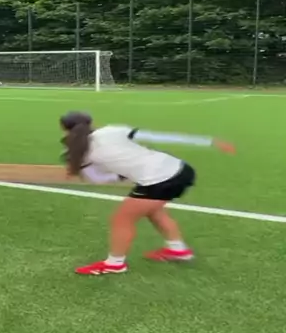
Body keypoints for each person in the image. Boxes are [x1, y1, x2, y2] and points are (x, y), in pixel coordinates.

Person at [60, 111, 235, 276]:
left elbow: (98, 179)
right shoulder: (111, 131)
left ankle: (115, 264)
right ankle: (178, 250)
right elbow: (156, 136)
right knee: (154, 210)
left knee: (122, 219)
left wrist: (119, 176)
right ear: (91, 123)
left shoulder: (76, 153)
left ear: (65, 129)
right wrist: (209, 141)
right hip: (180, 170)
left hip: (159, 179)